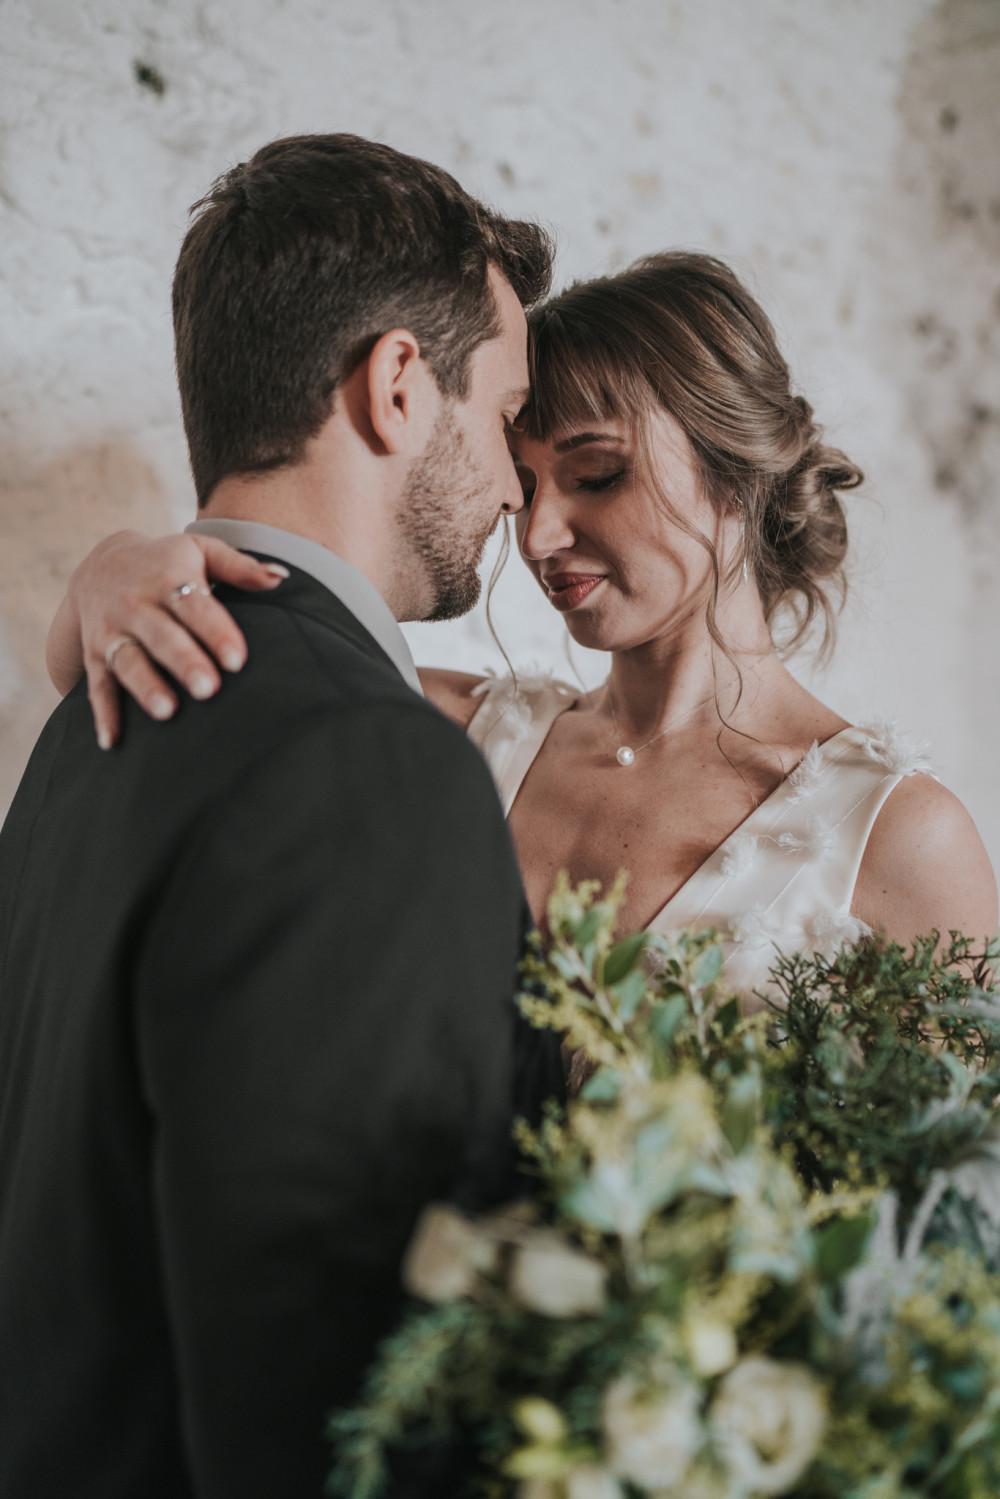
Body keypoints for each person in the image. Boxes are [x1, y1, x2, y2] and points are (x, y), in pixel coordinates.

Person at [0, 134, 563, 1499]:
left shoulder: (86, 727)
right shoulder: (367, 761)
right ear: (396, 387)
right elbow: (337, 1392)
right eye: (502, 418)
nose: (516, 488)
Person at [53, 252, 999, 997]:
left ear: (736, 473)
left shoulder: (901, 838)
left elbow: (959, 1209)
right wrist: (114, 570)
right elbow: (174, 674)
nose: (540, 532)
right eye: (527, 485)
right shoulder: (440, 730)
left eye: (596, 474)